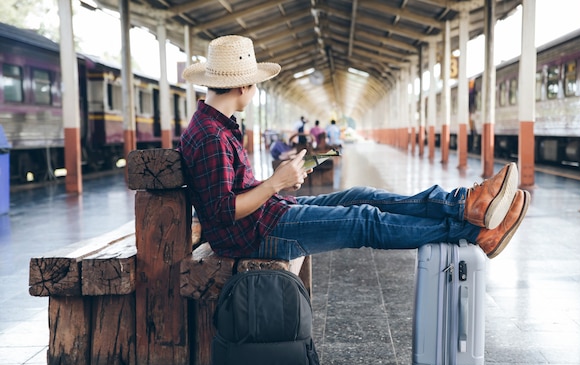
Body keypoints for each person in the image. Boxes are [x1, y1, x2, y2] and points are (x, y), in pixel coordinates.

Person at [178, 35, 530, 261]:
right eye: (255, 86)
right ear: (243, 86)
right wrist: (275, 183)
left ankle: (464, 204)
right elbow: (225, 211)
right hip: (256, 235)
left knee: (363, 194)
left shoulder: (214, 126)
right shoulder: (211, 135)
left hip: (265, 216)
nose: (254, 93)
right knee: (363, 220)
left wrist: (281, 182)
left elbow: (228, 195)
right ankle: (476, 233)